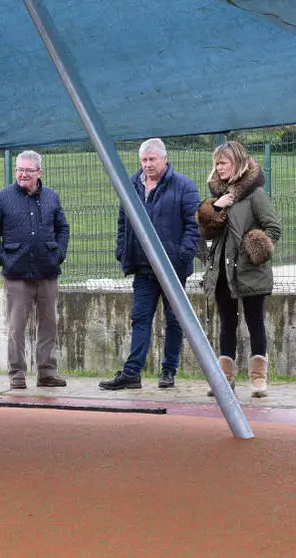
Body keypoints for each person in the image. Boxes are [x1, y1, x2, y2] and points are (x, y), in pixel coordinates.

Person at [99, 138, 201, 390]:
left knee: (175, 320)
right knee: (140, 318)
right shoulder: (132, 185)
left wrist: (182, 255)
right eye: (144, 160)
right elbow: (124, 220)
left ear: (165, 159)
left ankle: (168, 371)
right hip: (143, 268)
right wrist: (123, 251)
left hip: (172, 268)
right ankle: (132, 373)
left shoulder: (184, 186)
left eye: (152, 159)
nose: (147, 164)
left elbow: (194, 224)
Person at [196, 141, 281, 398]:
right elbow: (207, 230)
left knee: (255, 322)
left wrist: (253, 249)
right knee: (226, 324)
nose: (218, 168)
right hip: (222, 271)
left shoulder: (255, 195)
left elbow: (273, 229)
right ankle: (224, 379)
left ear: (238, 163)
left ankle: (258, 379)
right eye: (216, 163)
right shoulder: (219, 196)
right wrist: (217, 206)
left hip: (250, 272)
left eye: (223, 163)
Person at [0, 150, 70, 390]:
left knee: (48, 324)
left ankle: (47, 373)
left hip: (47, 271)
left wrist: (59, 254)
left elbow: (63, 228)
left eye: (27, 170)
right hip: (16, 273)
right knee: (16, 327)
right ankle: (17, 374)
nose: (22, 174)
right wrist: (1, 257)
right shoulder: (2, 197)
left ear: (39, 173)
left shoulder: (52, 197)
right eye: (19, 169)